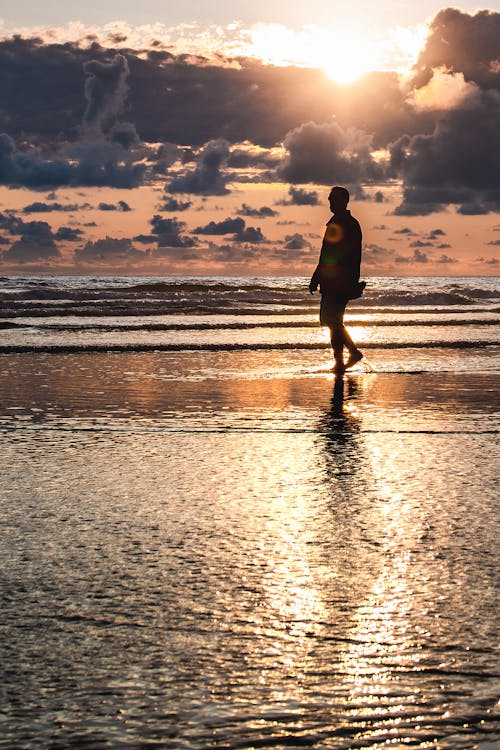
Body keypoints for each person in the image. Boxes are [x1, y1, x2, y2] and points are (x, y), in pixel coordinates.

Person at [309, 186, 365, 373]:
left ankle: (352, 353)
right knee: (333, 322)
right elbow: (328, 254)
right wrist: (318, 276)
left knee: (332, 321)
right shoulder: (343, 222)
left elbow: (332, 254)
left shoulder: (345, 223)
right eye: (330, 199)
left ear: (344, 201)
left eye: (334, 199)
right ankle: (341, 362)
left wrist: (318, 276)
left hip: (338, 281)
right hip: (336, 280)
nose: (331, 202)